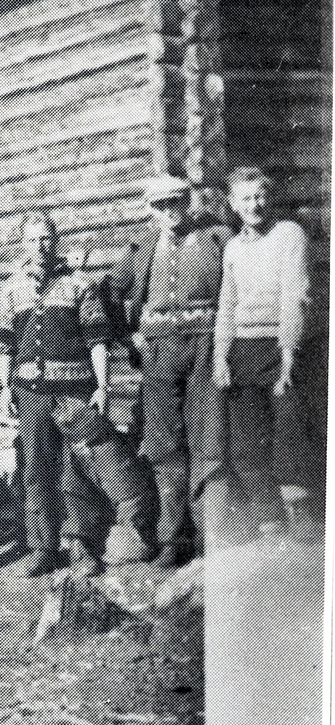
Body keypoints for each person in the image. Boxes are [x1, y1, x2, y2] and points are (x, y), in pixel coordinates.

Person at [0, 211, 151, 578]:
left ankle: (83, 544)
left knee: (78, 468)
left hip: (75, 391)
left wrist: (102, 385)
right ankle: (43, 548)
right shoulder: (11, 289)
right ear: (22, 244)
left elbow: (97, 340)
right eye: (32, 240)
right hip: (29, 392)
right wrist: (5, 388)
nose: (39, 246)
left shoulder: (80, 285)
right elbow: (3, 345)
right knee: (35, 466)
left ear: (55, 241)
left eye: (46, 239)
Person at [110, 175, 230, 569]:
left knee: (208, 442)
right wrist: (129, 340)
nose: (168, 212)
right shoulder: (142, 247)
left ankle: (211, 536)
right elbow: (107, 295)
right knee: (163, 446)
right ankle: (171, 538)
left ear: (187, 201)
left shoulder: (215, 237)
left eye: (175, 203)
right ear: (150, 209)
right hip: (158, 351)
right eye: (159, 206)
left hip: (204, 345)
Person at [214, 166, 318, 539]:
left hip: (280, 345)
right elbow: (227, 304)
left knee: (290, 434)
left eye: (259, 196)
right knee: (247, 440)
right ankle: (269, 520)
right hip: (243, 350)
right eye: (245, 198)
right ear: (233, 203)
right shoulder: (232, 247)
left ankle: (304, 519)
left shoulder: (288, 234)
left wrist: (289, 351)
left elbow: (296, 295)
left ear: (269, 197)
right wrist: (221, 356)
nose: (254, 204)